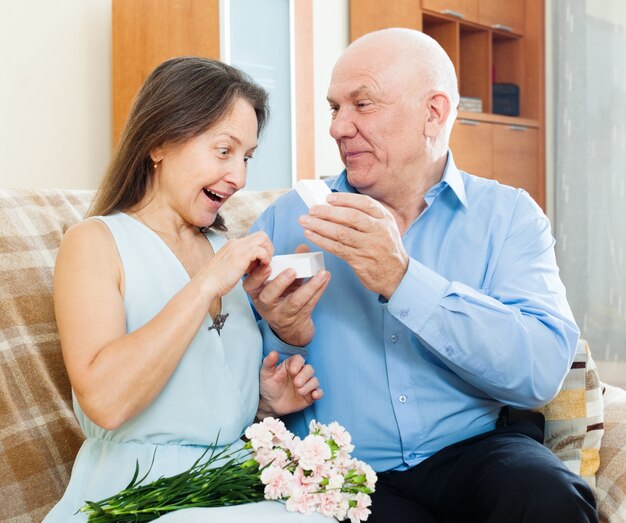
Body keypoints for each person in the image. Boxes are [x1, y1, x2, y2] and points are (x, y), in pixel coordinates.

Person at [246, 28, 598, 522]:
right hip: (344, 471)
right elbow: (232, 381)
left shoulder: (509, 217)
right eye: (334, 108)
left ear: (433, 113)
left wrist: (403, 278)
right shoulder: (283, 222)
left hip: (474, 451)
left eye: (361, 104)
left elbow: (539, 373)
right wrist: (285, 337)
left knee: (544, 497)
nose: (338, 128)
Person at [45, 57, 330, 522]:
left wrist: (263, 404)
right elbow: (106, 402)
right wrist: (204, 285)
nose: (239, 177)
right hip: (138, 491)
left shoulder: (224, 248)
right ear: (159, 142)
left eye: (247, 157)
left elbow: (199, 400)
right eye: (223, 151)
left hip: (230, 481)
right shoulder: (95, 242)